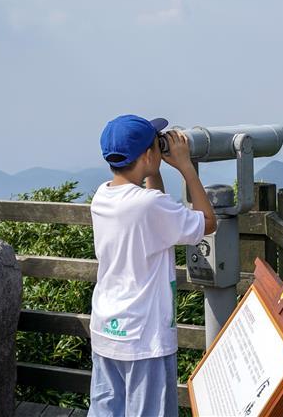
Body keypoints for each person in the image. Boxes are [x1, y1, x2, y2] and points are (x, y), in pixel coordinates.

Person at [87, 114, 216, 417]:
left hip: (108, 329)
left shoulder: (102, 196)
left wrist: (155, 169)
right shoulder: (149, 206)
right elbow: (208, 222)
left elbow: (153, 205)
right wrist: (185, 167)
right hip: (144, 336)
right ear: (147, 155)